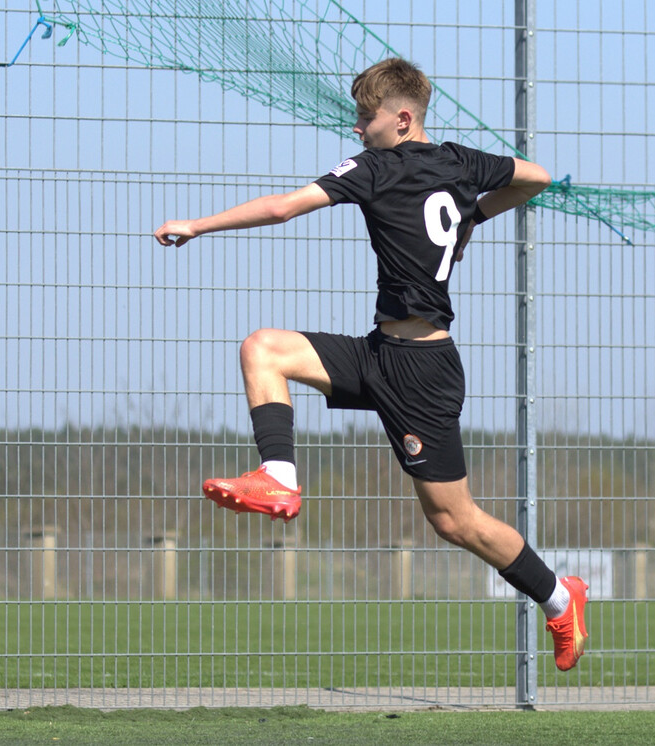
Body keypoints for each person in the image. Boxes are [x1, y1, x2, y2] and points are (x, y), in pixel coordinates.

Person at [154, 57, 588, 671]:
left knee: (454, 521)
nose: (357, 129)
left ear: (402, 119)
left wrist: (197, 225)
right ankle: (279, 475)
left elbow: (283, 208)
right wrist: (470, 218)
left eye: (366, 117)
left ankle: (557, 595)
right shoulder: (462, 161)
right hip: (379, 353)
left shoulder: (378, 167)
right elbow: (535, 177)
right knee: (263, 348)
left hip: (422, 372)